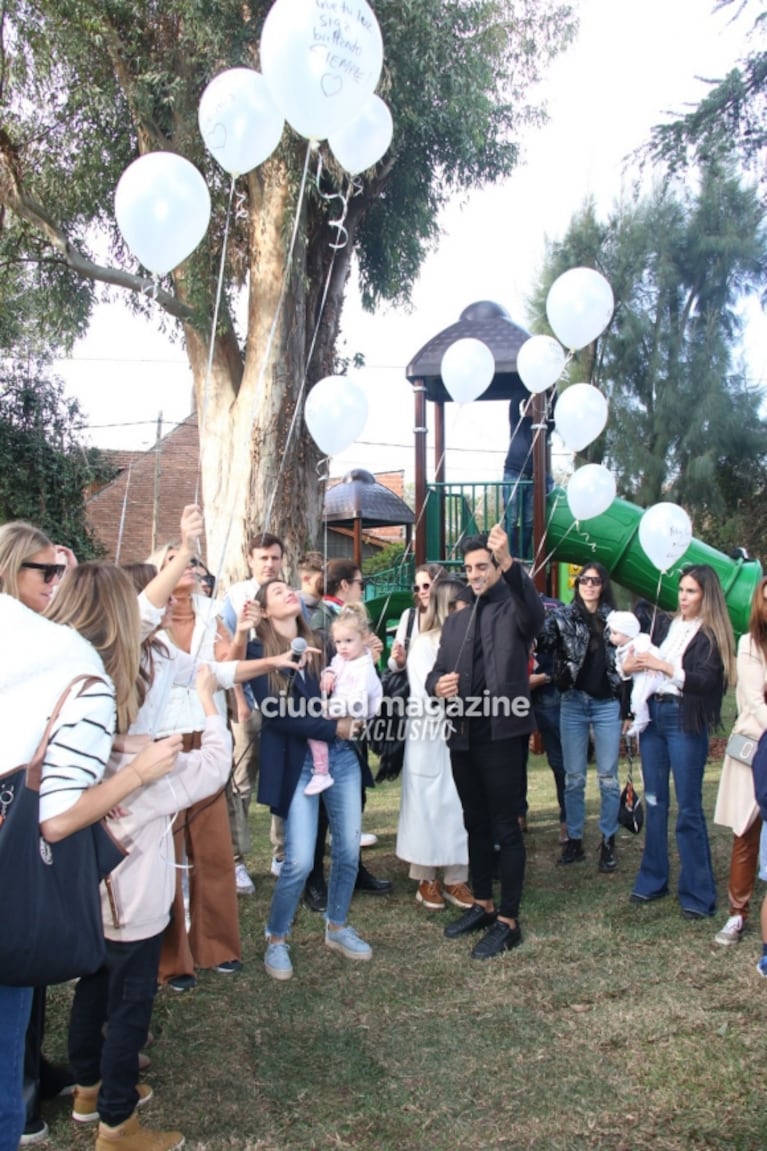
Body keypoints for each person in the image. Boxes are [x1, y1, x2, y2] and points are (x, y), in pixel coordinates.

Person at [0, 558, 182, 1151]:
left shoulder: (32, 661)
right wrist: (140, 773)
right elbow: (56, 821)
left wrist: (120, 742)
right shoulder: (89, 681)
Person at [426, 526, 544, 960]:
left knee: (504, 827)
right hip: (462, 736)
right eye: (470, 568)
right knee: (474, 822)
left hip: (503, 733)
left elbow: (536, 615)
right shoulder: (455, 621)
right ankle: (483, 903)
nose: (475, 575)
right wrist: (439, 685)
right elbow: (432, 674)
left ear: (496, 567)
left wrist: (511, 563)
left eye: (483, 566)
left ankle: (508, 921)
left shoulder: (515, 608)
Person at [248, 579, 371, 981]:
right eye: (277, 590)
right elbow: (277, 713)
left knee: (349, 852)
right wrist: (333, 728)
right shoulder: (258, 653)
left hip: (342, 759)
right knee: (299, 860)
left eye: (289, 587)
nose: (288, 591)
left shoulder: (322, 641)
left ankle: (337, 926)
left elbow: (355, 669)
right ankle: (277, 937)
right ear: (264, 611)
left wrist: (375, 656)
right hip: (300, 760)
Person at [147, 542, 242, 991]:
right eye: (174, 560)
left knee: (213, 849)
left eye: (189, 560)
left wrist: (235, 650)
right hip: (160, 739)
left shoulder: (212, 612)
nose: (186, 566)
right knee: (167, 853)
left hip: (207, 733)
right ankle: (171, 960)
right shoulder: (146, 614)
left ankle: (218, 947)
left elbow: (227, 665)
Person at [625, 564, 736, 918]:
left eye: (691, 591)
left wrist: (666, 666)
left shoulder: (711, 632)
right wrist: (639, 665)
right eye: (681, 590)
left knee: (688, 807)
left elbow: (707, 681)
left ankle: (698, 894)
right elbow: (656, 668)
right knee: (655, 801)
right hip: (654, 716)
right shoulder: (672, 625)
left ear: (706, 595)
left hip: (683, 718)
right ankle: (653, 879)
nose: (683, 597)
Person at [306, 559, 391, 908]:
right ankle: (314, 878)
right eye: (359, 581)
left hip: (353, 727)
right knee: (323, 809)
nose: (361, 586)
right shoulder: (321, 618)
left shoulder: (354, 620)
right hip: (326, 721)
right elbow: (322, 664)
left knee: (354, 800)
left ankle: (351, 868)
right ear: (344, 584)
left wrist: (370, 660)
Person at [538, 562, 623, 872]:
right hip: (573, 701)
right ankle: (574, 839)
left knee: (608, 778)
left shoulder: (616, 620)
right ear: (577, 584)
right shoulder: (561, 618)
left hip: (606, 704)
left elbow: (626, 664)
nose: (589, 585)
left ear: (603, 585)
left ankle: (608, 841)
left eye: (595, 581)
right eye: (584, 580)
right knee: (574, 777)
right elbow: (542, 642)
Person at [396, 577, 474, 912]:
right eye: (461, 603)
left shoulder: (469, 640)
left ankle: (458, 876)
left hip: (462, 734)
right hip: (430, 735)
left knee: (459, 805)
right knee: (427, 805)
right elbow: (429, 692)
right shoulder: (426, 644)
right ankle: (426, 877)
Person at [220, 532, 286, 894]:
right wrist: (239, 700)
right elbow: (229, 655)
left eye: (274, 558)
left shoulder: (285, 596)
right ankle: (236, 861)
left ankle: (281, 854)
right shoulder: (235, 599)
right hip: (248, 704)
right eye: (263, 558)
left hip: (283, 705)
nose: (269, 565)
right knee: (241, 784)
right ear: (250, 560)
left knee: (281, 779)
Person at [712, 577, 767, 945]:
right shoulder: (748, 645)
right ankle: (737, 913)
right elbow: (755, 699)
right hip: (757, 745)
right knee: (746, 831)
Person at [306, 604, 383, 795]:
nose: (343, 647)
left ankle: (322, 771)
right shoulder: (341, 659)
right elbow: (333, 666)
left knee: (315, 722)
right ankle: (321, 771)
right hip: (341, 707)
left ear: (364, 638)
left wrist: (330, 708)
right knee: (315, 731)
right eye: (338, 642)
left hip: (356, 711)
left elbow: (359, 702)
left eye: (348, 641)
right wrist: (328, 674)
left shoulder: (364, 668)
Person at [502, 380, 555, 562]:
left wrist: (550, 391)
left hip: (533, 478)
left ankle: (522, 555)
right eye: (530, 405)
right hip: (513, 473)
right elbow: (514, 403)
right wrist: (530, 386)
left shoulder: (544, 428)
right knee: (512, 517)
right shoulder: (517, 422)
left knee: (529, 521)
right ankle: (511, 555)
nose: (532, 407)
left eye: (536, 405)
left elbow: (555, 411)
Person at [606, 609, 665, 738]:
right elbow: (620, 667)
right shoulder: (622, 648)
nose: (611, 636)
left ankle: (641, 720)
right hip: (638, 676)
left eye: (615, 633)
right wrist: (624, 669)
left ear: (628, 634)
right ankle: (638, 718)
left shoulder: (639, 642)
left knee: (639, 696)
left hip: (648, 676)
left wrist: (654, 666)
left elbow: (653, 652)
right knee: (635, 696)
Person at [388, 563, 445, 673]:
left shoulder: (450, 617)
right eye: (417, 588)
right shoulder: (409, 616)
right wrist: (400, 662)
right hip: (413, 686)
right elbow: (392, 664)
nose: (421, 592)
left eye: (426, 586)